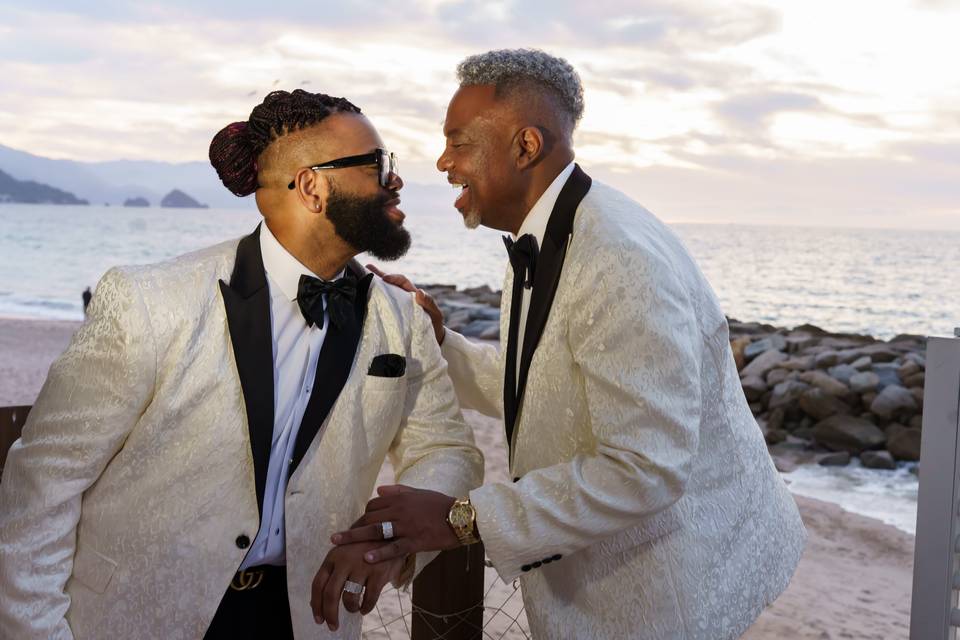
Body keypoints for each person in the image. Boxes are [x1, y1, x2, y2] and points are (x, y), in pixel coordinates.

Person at [327, 50, 807, 639]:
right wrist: (442, 341)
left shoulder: (617, 256)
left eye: (459, 142)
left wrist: (459, 518)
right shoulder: (544, 231)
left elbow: (645, 468)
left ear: (525, 147)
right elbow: (547, 389)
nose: (444, 162)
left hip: (672, 590)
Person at [0, 89, 483, 640]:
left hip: (310, 619)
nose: (394, 179)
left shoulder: (403, 318)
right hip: (139, 617)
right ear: (312, 185)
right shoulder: (150, 301)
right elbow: (43, 487)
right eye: (378, 164)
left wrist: (387, 537)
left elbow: (446, 450)